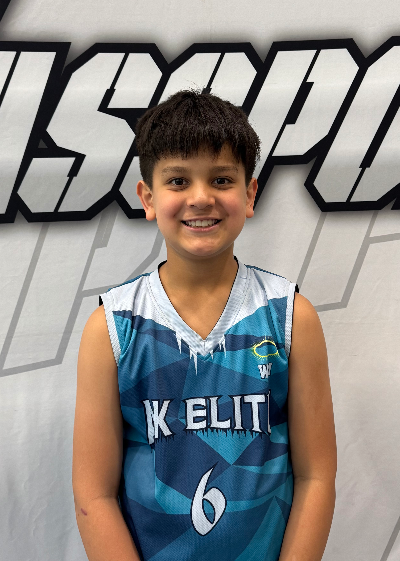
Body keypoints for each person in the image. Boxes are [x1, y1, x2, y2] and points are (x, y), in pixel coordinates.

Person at [72, 90, 337, 561]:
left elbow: (316, 476)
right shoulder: (111, 326)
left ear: (249, 194)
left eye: (221, 179)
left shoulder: (291, 317)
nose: (200, 197)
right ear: (148, 198)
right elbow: (94, 493)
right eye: (178, 180)